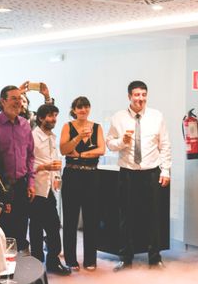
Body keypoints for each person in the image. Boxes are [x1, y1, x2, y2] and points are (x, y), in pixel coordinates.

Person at [106, 81, 172, 270]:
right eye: (136, 95)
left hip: (151, 172)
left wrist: (166, 170)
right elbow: (110, 143)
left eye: (143, 94)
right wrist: (122, 142)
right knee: (126, 216)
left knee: (153, 216)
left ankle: (155, 257)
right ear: (129, 96)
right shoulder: (118, 118)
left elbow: (165, 144)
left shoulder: (156, 116)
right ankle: (125, 258)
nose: (140, 98)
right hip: (127, 172)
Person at [59, 96, 105, 271]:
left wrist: (81, 154)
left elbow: (102, 149)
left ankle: (90, 260)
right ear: (74, 110)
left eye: (86, 107)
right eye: (79, 108)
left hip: (92, 175)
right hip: (72, 174)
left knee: (91, 218)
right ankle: (70, 259)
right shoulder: (67, 127)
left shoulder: (97, 127)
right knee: (70, 219)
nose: (83, 110)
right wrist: (78, 137)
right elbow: (64, 149)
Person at [30, 104, 71, 275]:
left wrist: (56, 177)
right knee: (36, 228)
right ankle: (37, 264)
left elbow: (55, 160)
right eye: (50, 116)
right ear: (40, 118)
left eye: (55, 115)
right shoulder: (32, 136)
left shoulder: (53, 137)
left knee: (54, 226)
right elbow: (28, 163)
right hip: (35, 188)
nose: (53, 119)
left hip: (49, 189)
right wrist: (44, 166)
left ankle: (53, 261)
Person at [0, 85, 35, 252]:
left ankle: (20, 268)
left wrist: (31, 182)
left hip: (21, 185)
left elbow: (31, 155)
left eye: (20, 99)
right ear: (3, 101)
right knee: (3, 229)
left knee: (21, 227)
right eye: (14, 99)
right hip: (1, 186)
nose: (18, 102)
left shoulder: (25, 124)